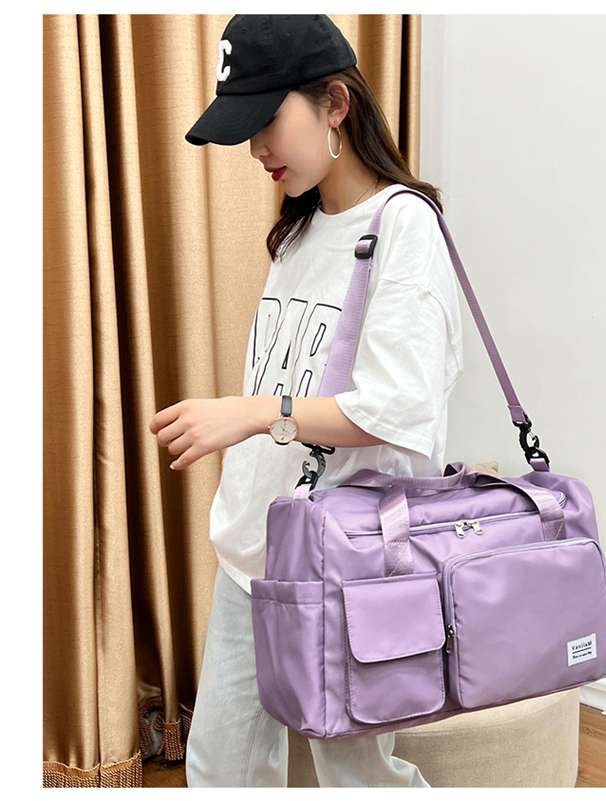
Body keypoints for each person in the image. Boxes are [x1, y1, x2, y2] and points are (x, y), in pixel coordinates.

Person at [149, 14, 463, 787]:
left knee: (358, 777)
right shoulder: (298, 232)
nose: (257, 148)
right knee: (221, 767)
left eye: (267, 121)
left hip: (348, 560)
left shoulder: (404, 226)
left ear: (336, 104)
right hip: (254, 547)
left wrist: (253, 412)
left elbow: (397, 408)